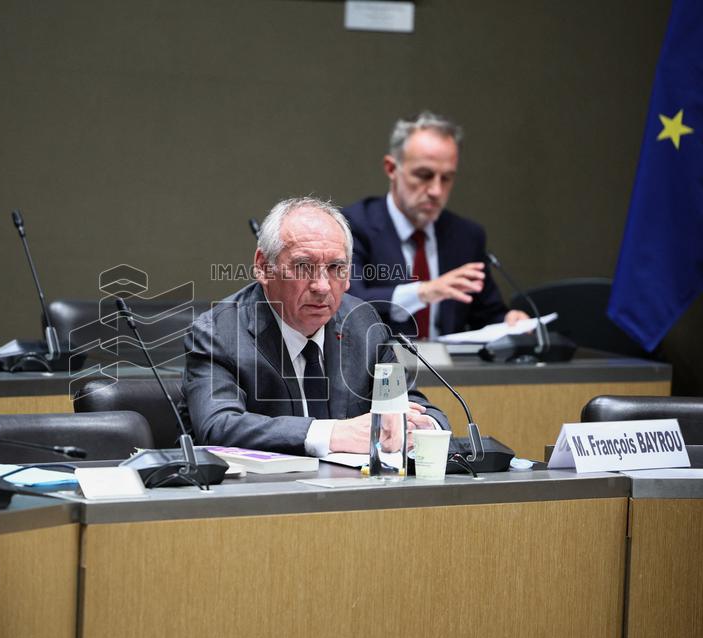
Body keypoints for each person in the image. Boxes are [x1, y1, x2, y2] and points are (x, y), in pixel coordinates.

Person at [181, 197, 449, 456]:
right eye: (303, 266)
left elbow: (415, 408)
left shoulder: (362, 323)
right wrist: (333, 433)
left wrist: (422, 429)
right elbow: (218, 425)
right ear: (263, 267)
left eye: (335, 268)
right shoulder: (219, 332)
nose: (321, 286)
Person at [343, 111, 529, 339]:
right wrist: (424, 292)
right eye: (424, 175)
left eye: (447, 178)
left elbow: (488, 315)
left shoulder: (466, 236)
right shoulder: (353, 226)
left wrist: (510, 322)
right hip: (378, 368)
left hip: (451, 373)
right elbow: (349, 303)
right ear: (392, 169)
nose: (436, 191)